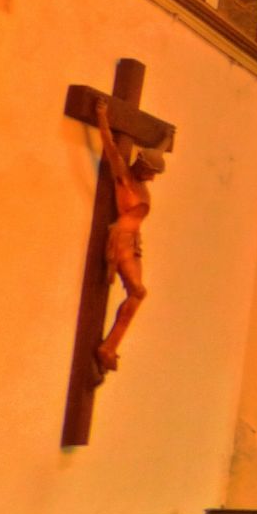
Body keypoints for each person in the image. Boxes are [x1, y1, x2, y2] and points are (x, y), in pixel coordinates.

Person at [93, 97, 162, 377]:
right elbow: (110, 145)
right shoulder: (124, 177)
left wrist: (164, 138)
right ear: (142, 166)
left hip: (135, 242)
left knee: (138, 293)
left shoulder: (142, 183)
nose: (153, 178)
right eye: (152, 172)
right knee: (138, 291)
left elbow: (156, 149)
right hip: (121, 238)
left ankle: (109, 346)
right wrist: (101, 116)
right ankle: (108, 347)